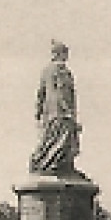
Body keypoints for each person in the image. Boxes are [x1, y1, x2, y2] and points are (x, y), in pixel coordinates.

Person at [28, 40, 82, 175]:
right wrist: (68, 112)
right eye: (64, 53)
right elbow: (61, 92)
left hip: (52, 112)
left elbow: (41, 93)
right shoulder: (60, 71)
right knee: (60, 136)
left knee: (54, 138)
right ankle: (54, 164)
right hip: (59, 111)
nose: (66, 56)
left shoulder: (50, 71)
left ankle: (55, 164)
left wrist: (39, 110)